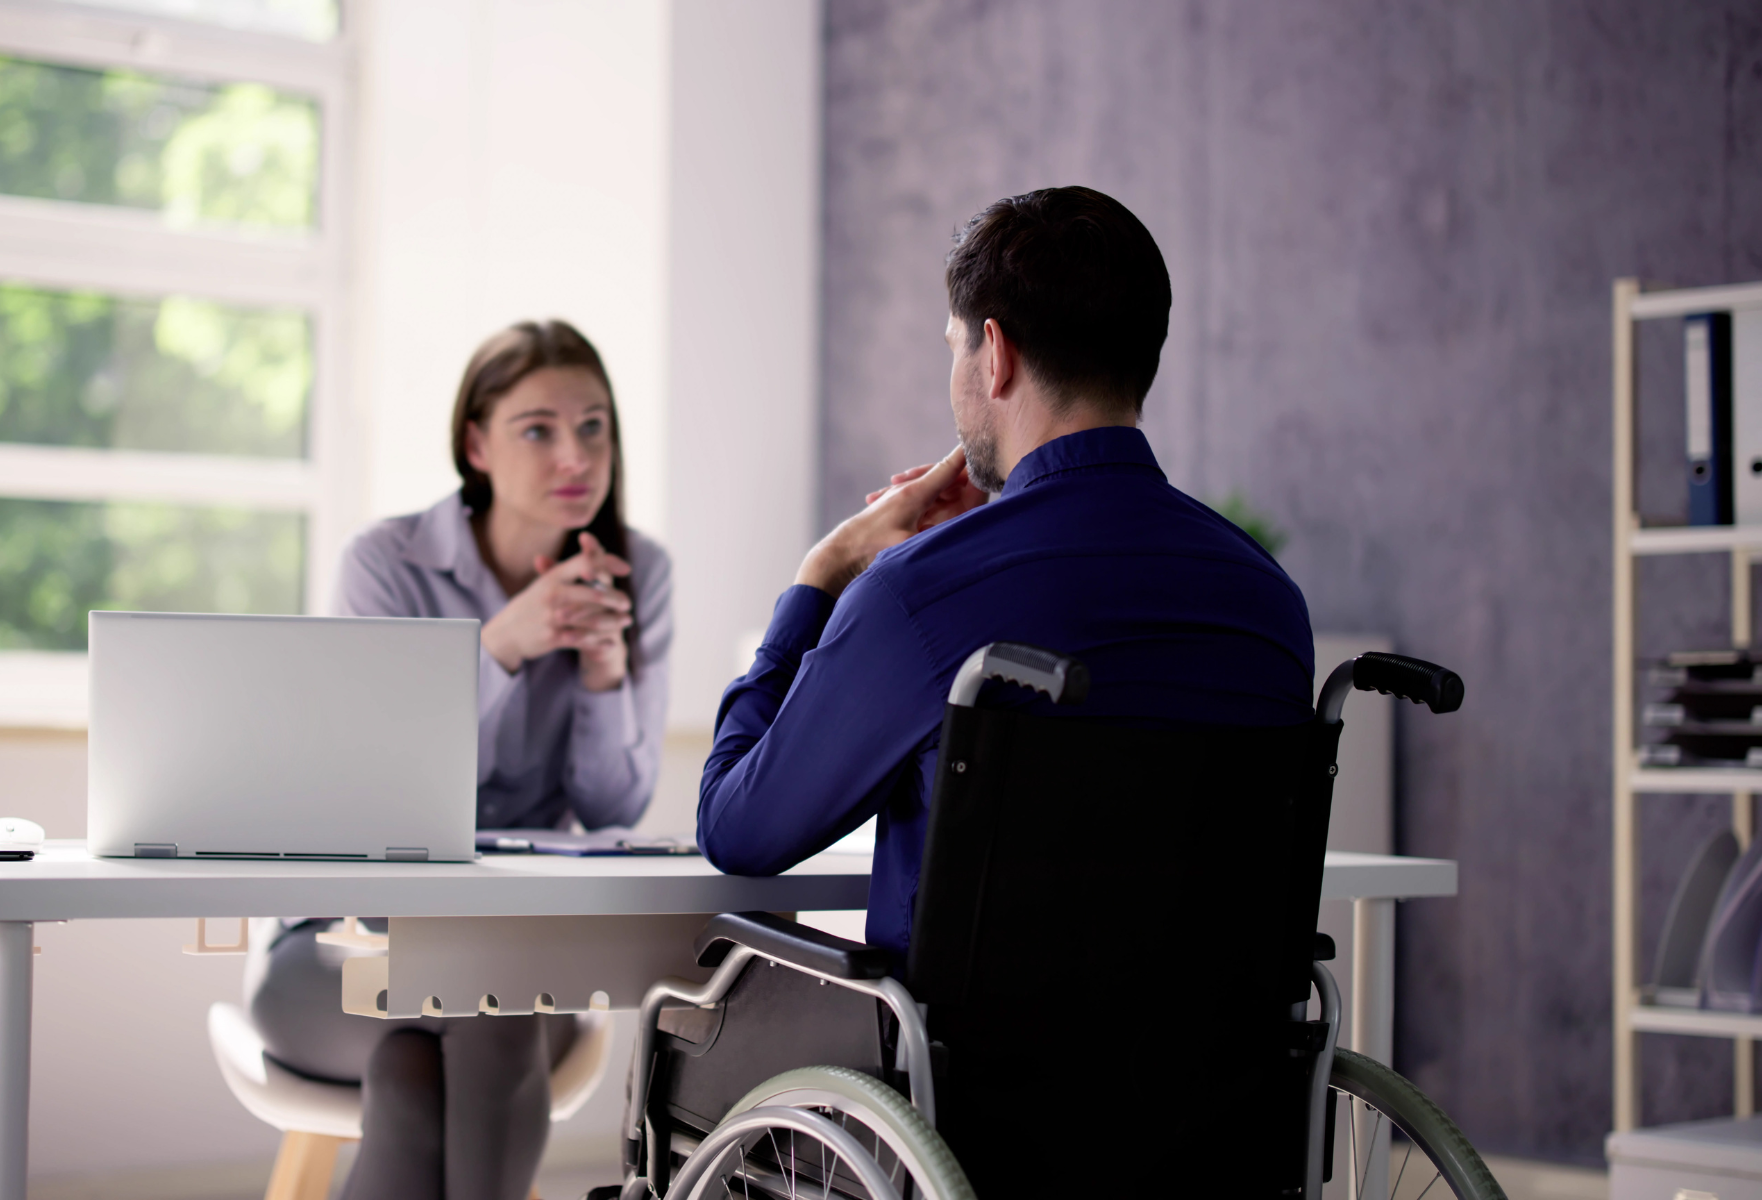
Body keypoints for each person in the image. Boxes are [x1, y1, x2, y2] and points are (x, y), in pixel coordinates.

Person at [698, 185, 1312, 972]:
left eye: (953, 346)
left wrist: (822, 577)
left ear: (997, 354)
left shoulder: (915, 598)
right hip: (1211, 1084)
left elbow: (738, 830)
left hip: (972, 1086)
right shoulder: (1269, 601)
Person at [246, 320, 671, 1200]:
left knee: (438, 1052)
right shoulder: (385, 566)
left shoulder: (640, 573)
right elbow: (368, 788)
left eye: (594, 426)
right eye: (538, 429)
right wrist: (502, 648)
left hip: (516, 957)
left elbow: (613, 810)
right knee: (477, 1015)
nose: (576, 454)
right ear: (475, 444)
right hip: (335, 946)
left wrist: (603, 678)